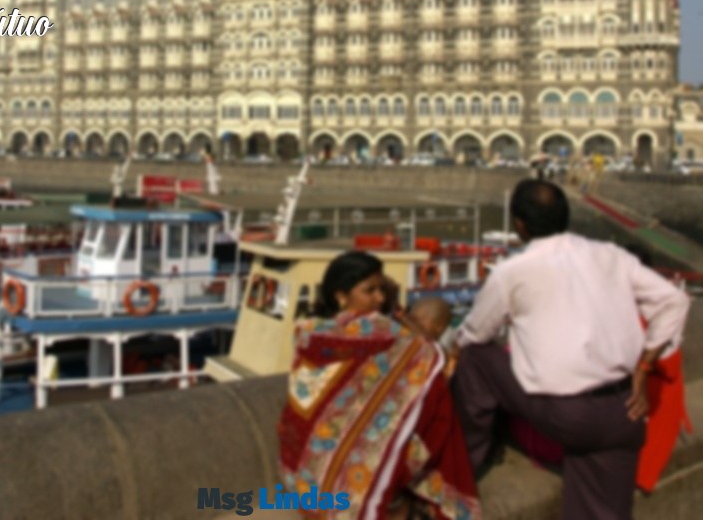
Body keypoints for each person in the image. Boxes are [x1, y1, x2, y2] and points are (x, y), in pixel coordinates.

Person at [449, 179, 690, 520]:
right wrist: (644, 366)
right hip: (625, 413)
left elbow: (473, 334)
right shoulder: (611, 255)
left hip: (567, 416)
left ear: (519, 224)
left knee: (475, 360)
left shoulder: (512, 271)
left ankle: (461, 468)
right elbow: (674, 301)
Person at [278, 251, 480, 520]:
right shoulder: (379, 333)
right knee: (431, 406)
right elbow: (430, 354)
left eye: (382, 290)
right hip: (337, 465)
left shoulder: (310, 331)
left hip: (300, 472)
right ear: (341, 295)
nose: (379, 298)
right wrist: (397, 311)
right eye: (370, 291)